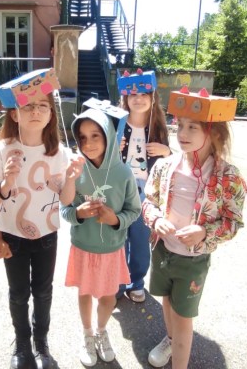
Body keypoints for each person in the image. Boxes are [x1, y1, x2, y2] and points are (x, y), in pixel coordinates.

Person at [0, 68, 84, 369]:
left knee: (43, 292)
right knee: (18, 294)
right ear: (14, 114)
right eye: (28, 106)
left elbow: (65, 200)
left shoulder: (59, 153)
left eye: (43, 105)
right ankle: (22, 343)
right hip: (12, 236)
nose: (36, 111)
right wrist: (7, 183)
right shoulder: (3, 151)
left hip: (46, 235)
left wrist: (71, 178)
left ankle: (41, 343)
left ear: (52, 113)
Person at [143, 88, 247, 368]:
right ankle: (169, 339)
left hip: (193, 259)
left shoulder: (228, 177)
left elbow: (233, 221)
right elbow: (149, 201)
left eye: (193, 127)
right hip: (163, 250)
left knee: (183, 315)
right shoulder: (165, 166)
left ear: (214, 133)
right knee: (167, 300)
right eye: (180, 125)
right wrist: (156, 219)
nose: (182, 133)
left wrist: (204, 232)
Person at [62, 109, 141, 366]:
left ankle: (101, 330)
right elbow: (64, 208)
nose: (88, 143)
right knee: (84, 292)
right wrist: (79, 213)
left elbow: (134, 210)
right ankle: (87, 333)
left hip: (112, 249)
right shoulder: (76, 169)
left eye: (95, 135)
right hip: (82, 247)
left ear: (108, 135)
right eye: (82, 137)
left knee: (108, 296)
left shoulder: (124, 173)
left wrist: (115, 219)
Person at [117, 69, 171, 303]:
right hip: (119, 189)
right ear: (126, 98)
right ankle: (116, 283)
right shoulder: (116, 124)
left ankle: (136, 282)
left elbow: (171, 164)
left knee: (140, 240)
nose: (138, 99)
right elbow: (99, 156)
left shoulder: (158, 127)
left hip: (147, 193)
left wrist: (167, 151)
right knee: (117, 240)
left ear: (152, 98)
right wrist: (112, 147)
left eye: (144, 94)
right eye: (133, 94)